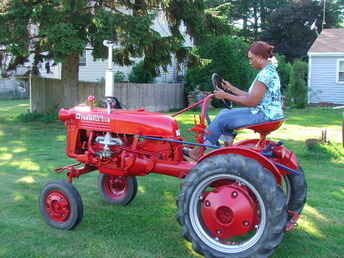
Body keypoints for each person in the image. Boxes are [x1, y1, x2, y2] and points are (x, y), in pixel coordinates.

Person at [187, 41, 284, 160]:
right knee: (225, 114)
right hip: (270, 115)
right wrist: (231, 89)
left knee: (223, 117)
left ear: (259, 57)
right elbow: (251, 96)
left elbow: (251, 102)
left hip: (265, 116)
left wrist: (226, 96)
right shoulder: (269, 71)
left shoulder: (265, 74)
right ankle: (227, 149)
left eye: (251, 59)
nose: (250, 62)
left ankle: (197, 152)